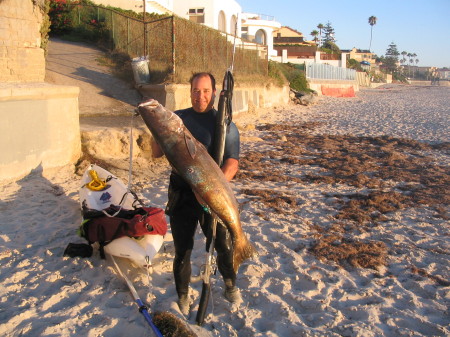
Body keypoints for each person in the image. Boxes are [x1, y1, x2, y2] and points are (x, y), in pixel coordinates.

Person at [150, 72, 241, 315]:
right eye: (196, 91)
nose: (200, 96)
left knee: (222, 244)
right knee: (183, 249)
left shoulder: (225, 124)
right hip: (181, 193)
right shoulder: (176, 119)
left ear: (213, 92)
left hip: (212, 194)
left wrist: (211, 188)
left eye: (205, 91)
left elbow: (232, 163)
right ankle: (182, 294)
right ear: (189, 92)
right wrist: (155, 129)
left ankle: (230, 285)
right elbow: (156, 153)